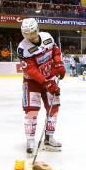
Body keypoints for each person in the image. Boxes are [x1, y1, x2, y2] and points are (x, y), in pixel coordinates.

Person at [17, 18, 66, 154]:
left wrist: (59, 64)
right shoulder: (22, 48)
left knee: (53, 108)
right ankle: (30, 140)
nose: (30, 36)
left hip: (50, 76)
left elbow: (55, 51)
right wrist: (47, 83)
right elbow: (31, 70)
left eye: (32, 32)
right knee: (31, 111)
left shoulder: (47, 37)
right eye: (26, 34)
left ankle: (49, 138)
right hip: (32, 82)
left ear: (37, 29)